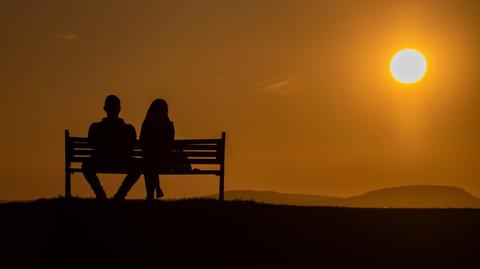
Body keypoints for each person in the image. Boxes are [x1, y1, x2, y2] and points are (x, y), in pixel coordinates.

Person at [82, 95, 141, 199]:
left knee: (86, 165)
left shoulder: (95, 127)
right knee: (138, 166)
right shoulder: (129, 129)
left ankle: (100, 193)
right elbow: (132, 147)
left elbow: (91, 143)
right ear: (119, 109)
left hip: (100, 160)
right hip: (122, 161)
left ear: (105, 109)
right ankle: (121, 194)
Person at [140, 99, 175, 200]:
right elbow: (170, 143)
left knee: (149, 162)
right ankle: (157, 187)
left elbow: (142, 142)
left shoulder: (146, 124)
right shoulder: (169, 125)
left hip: (149, 161)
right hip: (166, 162)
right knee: (151, 161)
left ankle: (151, 194)